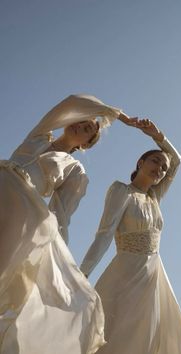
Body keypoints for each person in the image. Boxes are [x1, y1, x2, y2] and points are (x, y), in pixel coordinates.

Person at [0, 94, 132, 354]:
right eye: (83, 121)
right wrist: (115, 115)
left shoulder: (76, 170)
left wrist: (56, 257)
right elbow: (71, 101)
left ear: (86, 144)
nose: (82, 125)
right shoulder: (40, 135)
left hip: (19, 214)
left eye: (88, 130)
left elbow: (61, 214)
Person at [80, 119, 181, 354]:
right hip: (126, 273)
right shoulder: (122, 191)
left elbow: (178, 161)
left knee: (150, 340)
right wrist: (81, 275)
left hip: (154, 275)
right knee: (118, 336)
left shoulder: (155, 197)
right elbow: (103, 236)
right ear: (140, 162)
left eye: (164, 168)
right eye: (155, 161)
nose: (161, 169)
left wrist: (158, 136)